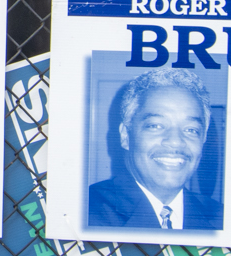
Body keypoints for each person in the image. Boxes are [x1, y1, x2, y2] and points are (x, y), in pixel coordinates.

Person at [86, 67, 223, 232]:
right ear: (125, 136)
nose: (175, 142)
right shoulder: (86, 212)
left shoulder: (221, 218)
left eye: (191, 130)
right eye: (156, 126)